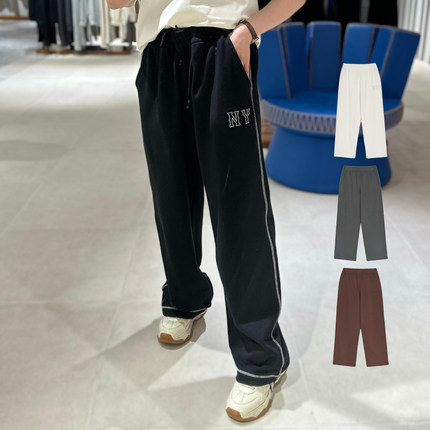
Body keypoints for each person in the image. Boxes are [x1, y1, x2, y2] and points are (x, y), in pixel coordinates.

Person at [107, 0, 306, 422]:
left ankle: (261, 357)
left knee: (239, 208)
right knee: (170, 195)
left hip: (222, 46)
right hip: (158, 52)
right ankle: (184, 299)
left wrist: (248, 32)